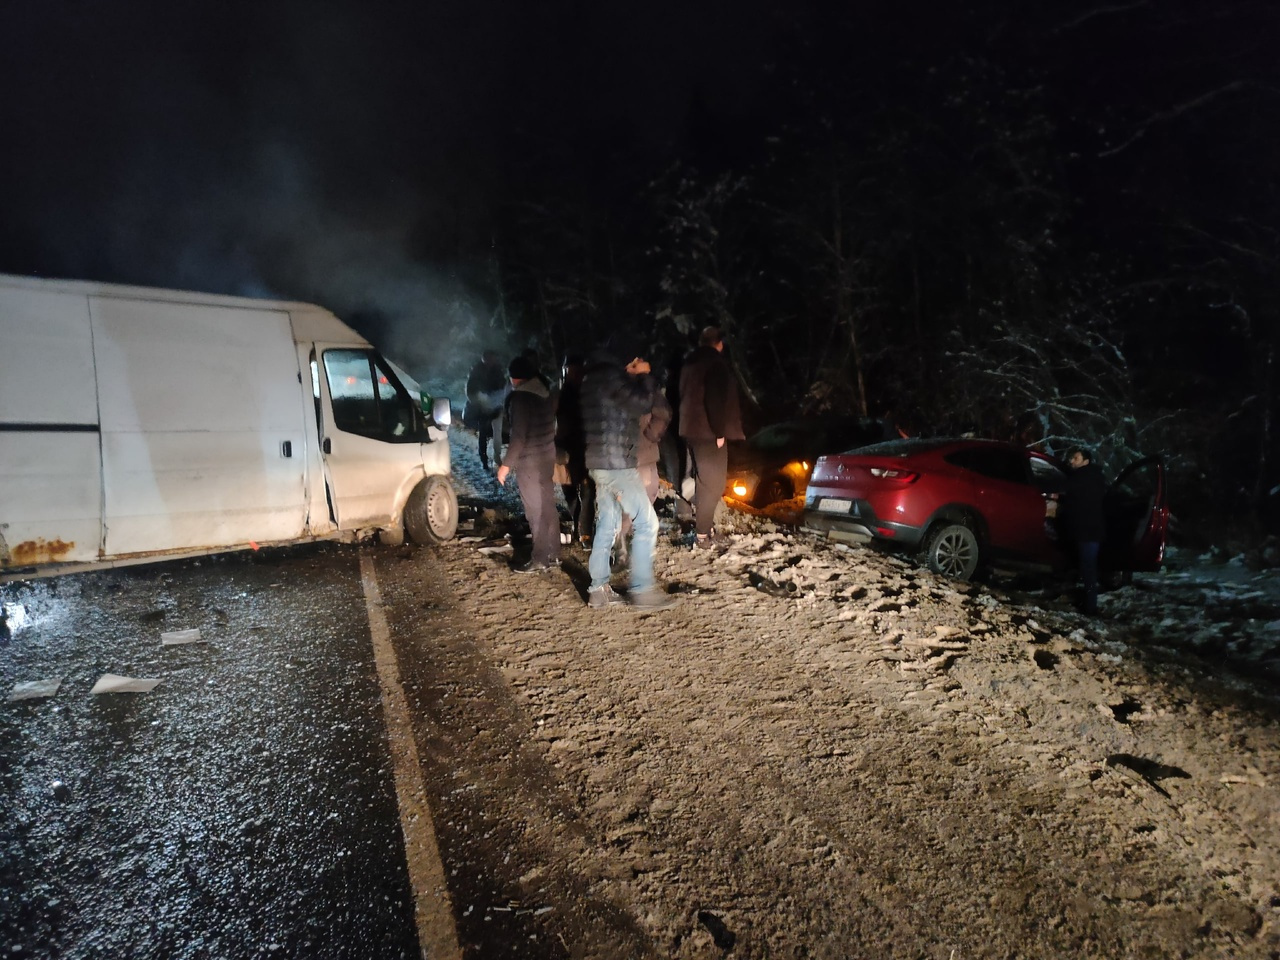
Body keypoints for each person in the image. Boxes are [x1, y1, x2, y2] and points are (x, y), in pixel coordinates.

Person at [581, 335, 675, 610]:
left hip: (599, 463)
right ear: (626, 361)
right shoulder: (612, 378)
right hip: (617, 463)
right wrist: (646, 376)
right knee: (648, 523)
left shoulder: (592, 379)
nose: (637, 363)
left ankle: (598, 589)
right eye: (634, 360)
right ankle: (642, 590)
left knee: (607, 524)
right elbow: (644, 404)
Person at [678, 325, 745, 547]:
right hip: (709, 433)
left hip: (691, 430)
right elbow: (715, 400)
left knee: (704, 482)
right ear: (719, 344)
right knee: (714, 485)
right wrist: (719, 432)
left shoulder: (689, 364)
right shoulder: (715, 364)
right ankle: (703, 535)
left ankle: (705, 528)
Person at [497, 356, 560, 573]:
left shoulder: (520, 399)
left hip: (530, 463)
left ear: (515, 378)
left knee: (535, 511)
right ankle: (554, 553)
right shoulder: (544, 391)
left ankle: (540, 558)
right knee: (548, 506)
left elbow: (518, 437)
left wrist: (506, 465)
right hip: (546, 457)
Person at [1060, 445, 1107, 615]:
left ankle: (1090, 607)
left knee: (1088, 568)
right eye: (1072, 458)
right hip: (1093, 530)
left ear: (1085, 462)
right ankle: (1089, 603)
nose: (1072, 461)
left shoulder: (1081, 477)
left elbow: (1062, 487)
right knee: (1087, 567)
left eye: (1076, 459)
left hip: (1086, 531)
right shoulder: (1096, 477)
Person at [555, 354, 594, 545]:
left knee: (587, 489)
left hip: (583, 447)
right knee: (571, 487)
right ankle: (582, 527)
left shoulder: (586, 392)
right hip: (569, 447)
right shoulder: (564, 393)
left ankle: (585, 531)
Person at [465, 349, 507, 471]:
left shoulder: (498, 370)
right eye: (489, 358)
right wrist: (478, 400)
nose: (491, 361)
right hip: (482, 407)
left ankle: (497, 457)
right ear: (484, 358)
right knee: (483, 434)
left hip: (496, 405)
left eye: (492, 358)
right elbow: (470, 389)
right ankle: (484, 460)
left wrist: (500, 397)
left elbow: (503, 385)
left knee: (497, 432)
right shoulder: (476, 370)